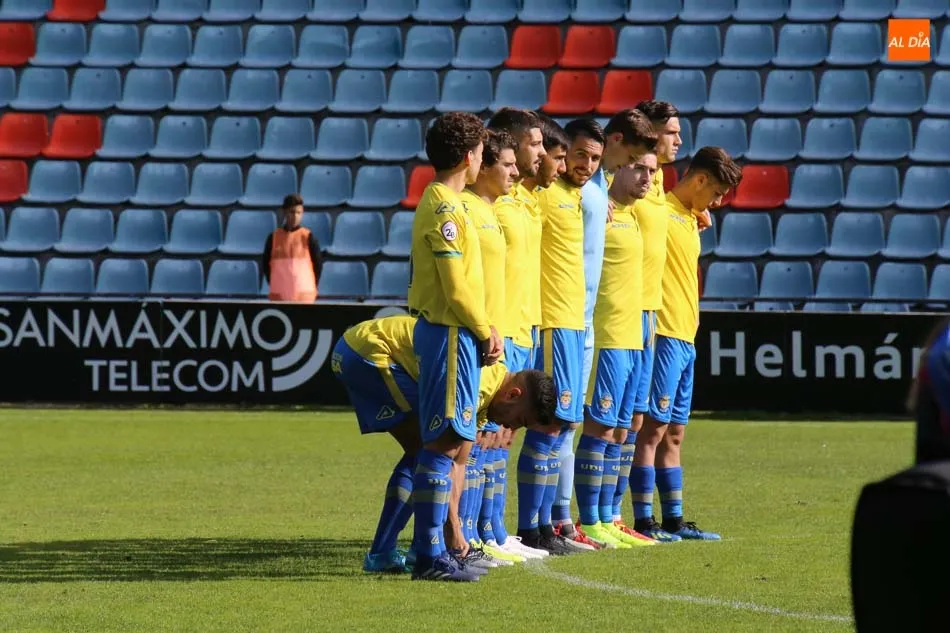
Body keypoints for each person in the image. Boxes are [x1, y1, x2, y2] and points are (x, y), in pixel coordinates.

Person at [331, 315, 558, 576]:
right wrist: (454, 532)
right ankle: (403, 551)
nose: (509, 427)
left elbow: (459, 462)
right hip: (369, 352)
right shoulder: (479, 388)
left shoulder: (490, 391)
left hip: (357, 348)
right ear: (513, 394)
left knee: (425, 455)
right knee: (428, 453)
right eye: (518, 420)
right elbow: (445, 458)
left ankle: (399, 550)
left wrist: (456, 529)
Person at [552, 110, 660, 548]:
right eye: (633, 161)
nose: (637, 171)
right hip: (599, 330)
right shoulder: (587, 194)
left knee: (622, 427)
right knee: (590, 425)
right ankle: (585, 518)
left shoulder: (619, 204)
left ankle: (609, 516)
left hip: (630, 334)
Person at [407, 112, 504, 582]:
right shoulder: (444, 208)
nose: (483, 159)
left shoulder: (451, 203)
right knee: (443, 444)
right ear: (470, 156)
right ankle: (430, 557)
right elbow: (455, 286)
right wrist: (485, 329)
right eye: (482, 152)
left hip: (456, 333)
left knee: (450, 442)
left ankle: (435, 551)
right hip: (449, 332)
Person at [629, 147, 742, 542]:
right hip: (662, 333)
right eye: (717, 193)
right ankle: (644, 521)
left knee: (675, 432)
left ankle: (674, 520)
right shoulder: (657, 210)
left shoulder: (691, 218)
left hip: (685, 336)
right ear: (699, 180)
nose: (718, 202)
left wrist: (698, 214)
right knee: (651, 429)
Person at [516, 118, 604, 556]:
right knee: (547, 424)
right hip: (552, 321)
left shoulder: (578, 196)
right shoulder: (541, 194)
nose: (578, 165)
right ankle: (532, 528)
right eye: (570, 156)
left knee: (561, 425)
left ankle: (547, 524)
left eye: (591, 158)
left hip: (574, 323)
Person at [486, 108, 553, 561]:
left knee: (503, 436)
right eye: (535, 144)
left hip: (523, 327)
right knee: (485, 436)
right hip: (499, 330)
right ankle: (479, 533)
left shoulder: (526, 201)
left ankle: (494, 528)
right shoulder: (495, 203)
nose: (542, 153)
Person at [458, 129, 521, 563]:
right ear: (482, 165)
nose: (515, 172)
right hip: (476, 339)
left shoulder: (493, 211)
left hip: (499, 336)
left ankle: (484, 532)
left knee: (491, 435)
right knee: (465, 441)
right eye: (507, 164)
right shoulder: (463, 208)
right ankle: (460, 538)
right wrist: (482, 329)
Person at [262, 194, 321, 303]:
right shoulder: (274, 237)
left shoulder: (308, 236)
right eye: (292, 212)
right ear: (284, 212)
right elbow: (266, 265)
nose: (295, 216)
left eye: (299, 212)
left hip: (305, 298)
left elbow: (317, 265)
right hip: (279, 297)